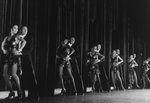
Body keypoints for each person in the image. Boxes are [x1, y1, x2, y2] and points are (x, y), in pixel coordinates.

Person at [1, 25, 26, 99]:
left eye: (17, 28)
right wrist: (4, 50)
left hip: (15, 57)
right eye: (15, 28)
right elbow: (2, 45)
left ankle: (20, 91)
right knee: (4, 74)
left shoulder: (17, 37)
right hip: (8, 56)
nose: (16, 29)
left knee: (13, 74)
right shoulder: (6, 38)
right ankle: (11, 92)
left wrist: (20, 49)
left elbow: (24, 41)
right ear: (11, 29)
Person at [19, 26, 39, 99]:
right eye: (23, 29)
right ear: (20, 30)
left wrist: (21, 53)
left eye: (26, 29)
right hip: (17, 58)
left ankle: (35, 93)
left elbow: (30, 49)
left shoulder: (29, 38)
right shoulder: (17, 36)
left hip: (26, 57)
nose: (25, 30)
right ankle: (21, 93)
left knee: (31, 75)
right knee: (20, 75)